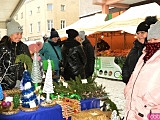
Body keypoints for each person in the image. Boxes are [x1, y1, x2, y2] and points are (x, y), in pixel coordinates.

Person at [124, 20, 160, 120]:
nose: (152, 42)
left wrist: (155, 113)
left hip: (151, 111)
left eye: (155, 39)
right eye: (150, 40)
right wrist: (128, 89)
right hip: (135, 107)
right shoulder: (144, 56)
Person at [122, 16, 158, 85]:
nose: (139, 36)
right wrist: (126, 77)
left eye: (142, 33)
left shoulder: (153, 50)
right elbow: (126, 64)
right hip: (132, 85)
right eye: (137, 33)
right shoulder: (135, 47)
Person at [0, 19, 31, 90]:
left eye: (21, 33)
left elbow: (30, 65)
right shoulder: (2, 48)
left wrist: (26, 79)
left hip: (21, 84)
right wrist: (7, 80)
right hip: (5, 86)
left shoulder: (24, 47)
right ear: (10, 34)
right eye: (17, 33)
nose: (19, 36)